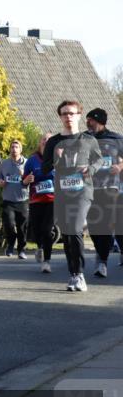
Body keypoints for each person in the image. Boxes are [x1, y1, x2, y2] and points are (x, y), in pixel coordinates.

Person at [43, 101, 102, 292]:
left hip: (83, 192)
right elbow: (45, 169)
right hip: (62, 194)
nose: (68, 117)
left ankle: (80, 275)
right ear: (60, 117)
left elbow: (99, 160)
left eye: (71, 113)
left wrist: (91, 169)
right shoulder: (53, 142)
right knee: (68, 234)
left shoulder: (89, 139)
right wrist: (56, 158)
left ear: (78, 116)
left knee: (76, 228)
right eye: (64, 114)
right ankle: (73, 274)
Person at [84, 108, 123, 278]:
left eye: (90, 120)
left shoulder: (116, 139)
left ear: (98, 120)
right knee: (93, 225)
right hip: (89, 188)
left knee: (107, 223)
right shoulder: (84, 138)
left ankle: (102, 261)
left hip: (110, 187)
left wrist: (120, 166)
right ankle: (101, 254)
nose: (87, 123)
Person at [23, 133, 56, 273]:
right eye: (44, 139)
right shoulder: (32, 160)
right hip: (36, 200)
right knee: (36, 229)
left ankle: (47, 261)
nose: (46, 141)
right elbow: (23, 181)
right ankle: (40, 247)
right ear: (40, 143)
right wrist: (27, 180)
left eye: (49, 140)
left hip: (53, 200)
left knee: (47, 230)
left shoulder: (58, 159)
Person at [0, 139, 30, 259]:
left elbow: (31, 181)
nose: (14, 149)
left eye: (16, 147)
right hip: (8, 200)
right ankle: (11, 243)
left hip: (23, 199)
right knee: (9, 224)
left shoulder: (27, 164)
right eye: (12, 147)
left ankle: (21, 249)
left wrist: (24, 177)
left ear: (21, 150)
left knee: (22, 227)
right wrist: (0, 183)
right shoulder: (4, 164)